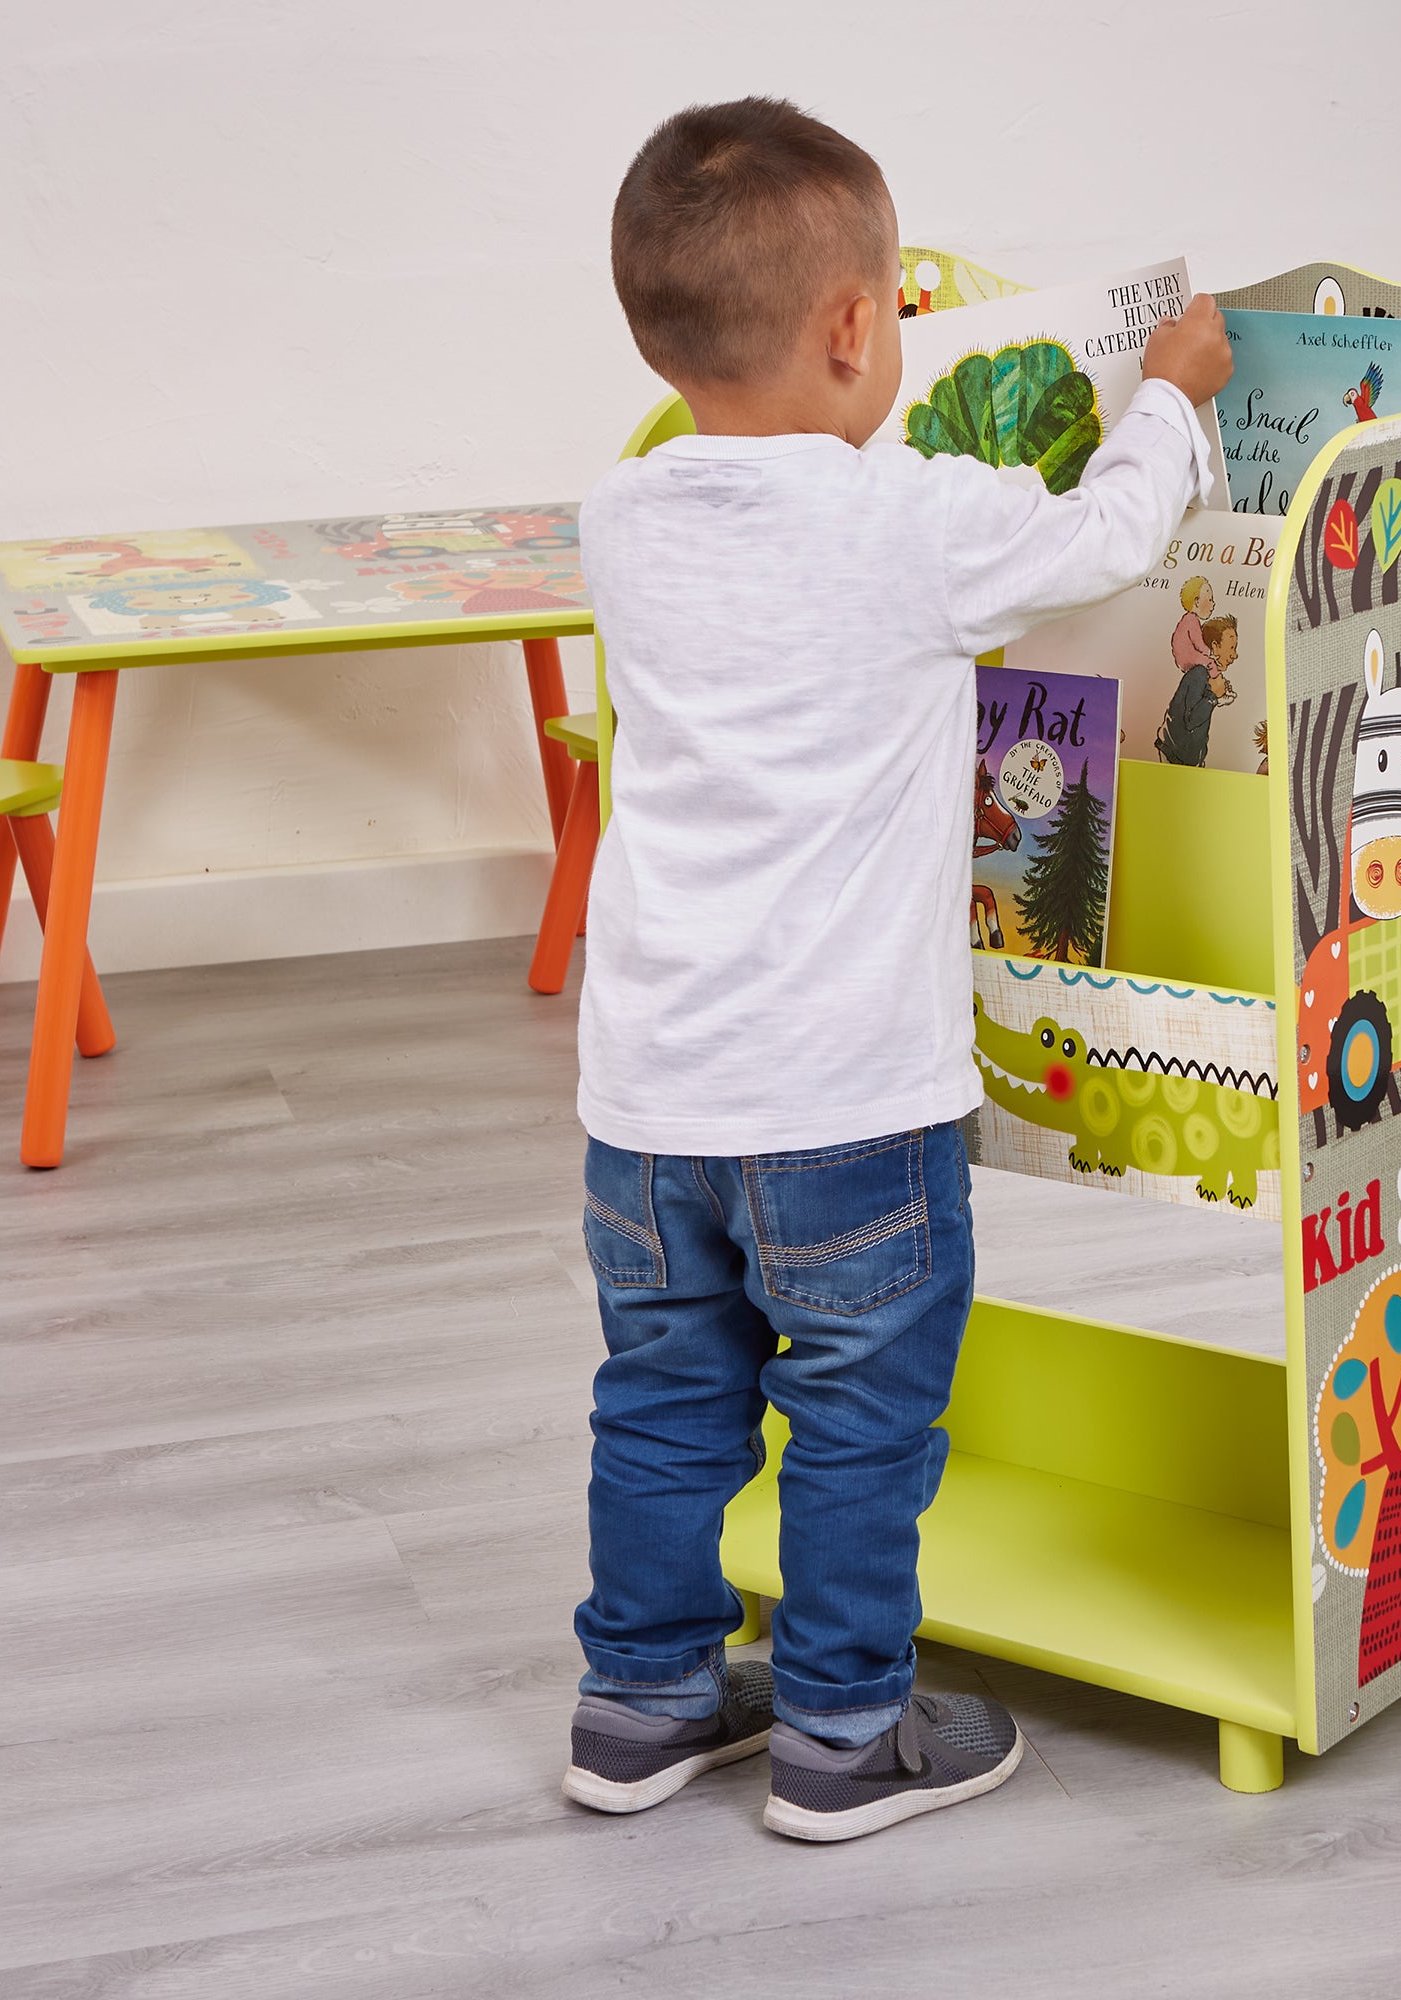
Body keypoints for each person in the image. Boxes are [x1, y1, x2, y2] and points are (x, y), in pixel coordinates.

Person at [564, 97, 1232, 1843]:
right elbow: (1104, 539)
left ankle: (637, 1704)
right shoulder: (913, 521)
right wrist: (1170, 390)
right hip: (848, 1105)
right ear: (862, 328)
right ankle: (845, 1735)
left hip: (647, 1112)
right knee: (858, 1420)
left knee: (663, 1401)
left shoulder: (619, 519)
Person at [1155, 613, 1239, 767]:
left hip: (1189, 757)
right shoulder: (1199, 673)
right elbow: (1191, 721)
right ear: (1214, 646)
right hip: (1174, 756)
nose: (1235, 655)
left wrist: (1218, 698)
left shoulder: (1206, 674)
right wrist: (1214, 697)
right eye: (1232, 647)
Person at [1171, 574, 1215, 673]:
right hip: (1188, 657)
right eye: (1210, 599)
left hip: (1184, 657)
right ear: (1197, 602)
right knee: (1211, 664)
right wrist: (1210, 652)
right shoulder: (1191, 619)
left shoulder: (1187, 619)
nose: (1213, 603)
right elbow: (1199, 643)